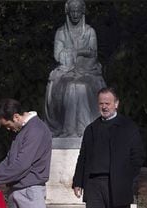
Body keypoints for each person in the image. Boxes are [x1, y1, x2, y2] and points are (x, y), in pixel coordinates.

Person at [72, 87, 145, 208]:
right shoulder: (91, 129)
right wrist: (78, 181)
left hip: (118, 185)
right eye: (101, 103)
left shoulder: (128, 127)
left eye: (108, 103)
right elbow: (83, 156)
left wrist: (127, 179)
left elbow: (138, 157)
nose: (104, 107)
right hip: (94, 185)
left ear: (116, 104)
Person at [45, 0, 106, 137]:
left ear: (82, 11)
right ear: (68, 12)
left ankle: (85, 130)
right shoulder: (61, 32)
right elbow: (57, 55)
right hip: (66, 71)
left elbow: (93, 53)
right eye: (72, 11)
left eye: (78, 11)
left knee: (81, 87)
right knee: (71, 86)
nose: (75, 14)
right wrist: (72, 54)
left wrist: (75, 52)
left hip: (88, 71)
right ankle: (69, 130)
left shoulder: (90, 32)